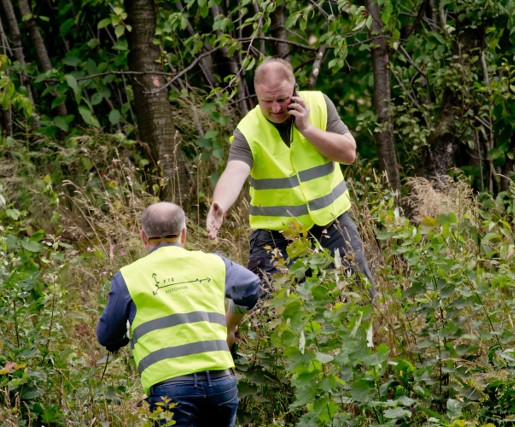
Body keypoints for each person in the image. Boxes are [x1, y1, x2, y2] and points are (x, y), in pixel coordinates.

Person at [206, 57, 374, 295]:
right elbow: (235, 170)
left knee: (359, 296)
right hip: (276, 236)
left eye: (282, 99)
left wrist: (307, 128)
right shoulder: (248, 129)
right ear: (256, 96)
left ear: (295, 90)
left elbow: (348, 154)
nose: (276, 108)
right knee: (264, 311)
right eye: (267, 101)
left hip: (333, 223)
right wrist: (220, 204)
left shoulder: (318, 104)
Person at [97, 201, 260, 426]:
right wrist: (230, 323)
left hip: (170, 389)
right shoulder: (213, 263)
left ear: (143, 237)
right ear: (184, 233)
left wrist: (126, 333)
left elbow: (107, 336)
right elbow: (251, 286)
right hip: (222, 383)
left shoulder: (128, 277)